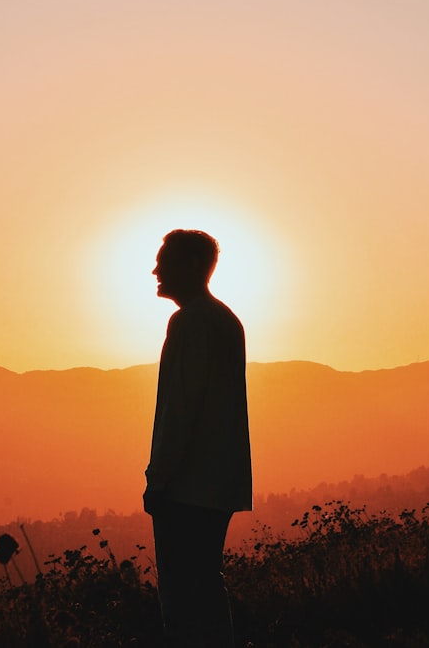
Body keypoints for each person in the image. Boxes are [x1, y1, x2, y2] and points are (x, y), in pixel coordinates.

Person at [144, 229, 252, 647]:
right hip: (218, 483)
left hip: (187, 487)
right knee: (206, 586)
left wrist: (159, 477)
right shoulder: (225, 320)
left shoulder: (189, 322)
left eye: (164, 261)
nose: (155, 269)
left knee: (182, 597)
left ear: (190, 266)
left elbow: (181, 409)